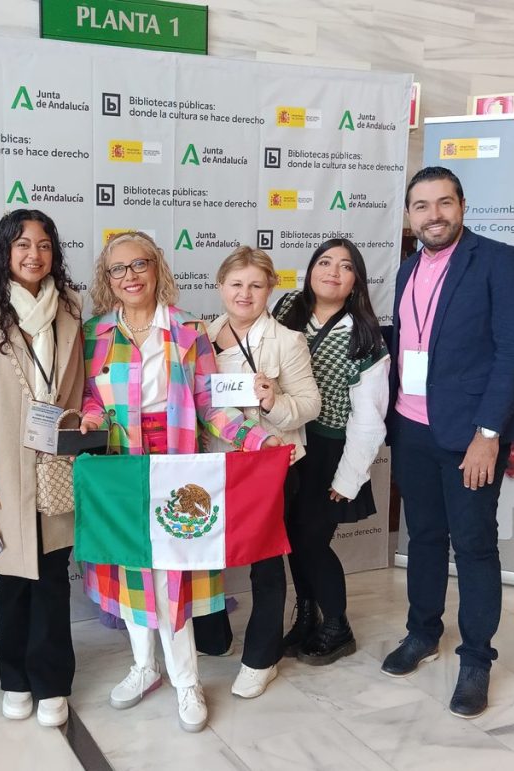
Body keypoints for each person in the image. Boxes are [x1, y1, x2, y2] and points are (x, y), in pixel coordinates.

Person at [79, 232, 280, 732]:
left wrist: (256, 439)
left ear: (157, 268)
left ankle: (186, 681)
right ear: (107, 278)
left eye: (139, 264)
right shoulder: (94, 334)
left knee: (173, 579)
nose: (130, 276)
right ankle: (144, 667)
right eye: (118, 268)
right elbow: (89, 398)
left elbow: (210, 404)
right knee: (130, 569)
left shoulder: (189, 331)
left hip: (176, 468)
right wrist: (89, 418)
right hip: (121, 470)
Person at [384, 166, 514, 719]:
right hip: (412, 428)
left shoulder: (499, 261)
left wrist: (488, 434)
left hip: (470, 435)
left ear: (463, 206)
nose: (434, 215)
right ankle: (423, 632)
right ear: (409, 215)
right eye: (421, 206)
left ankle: (476, 659)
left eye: (444, 203)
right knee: (423, 537)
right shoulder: (406, 269)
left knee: (473, 545)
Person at [0, 209, 84, 728]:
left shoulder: (71, 306)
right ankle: (14, 678)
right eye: (23, 245)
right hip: (4, 467)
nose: (35, 255)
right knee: (11, 581)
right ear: (5, 252)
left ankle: (51, 682)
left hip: (59, 464)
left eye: (44, 245)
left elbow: (82, 384)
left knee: (52, 578)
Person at [191, 246, 321, 698]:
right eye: (236, 284)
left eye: (256, 285)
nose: (244, 294)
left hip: (269, 465)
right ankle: (212, 636)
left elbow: (310, 405)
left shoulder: (287, 341)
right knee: (205, 551)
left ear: (270, 289)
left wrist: (272, 401)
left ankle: (261, 658)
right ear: (220, 286)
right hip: (216, 463)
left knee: (265, 561)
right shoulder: (199, 336)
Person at [273, 238, 390, 667]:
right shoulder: (288, 309)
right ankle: (307, 615)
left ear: (356, 280)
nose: (332, 272)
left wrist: (348, 477)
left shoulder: (364, 335)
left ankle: (338, 625)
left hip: (330, 450)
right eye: (324, 262)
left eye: (345, 266)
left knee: (311, 540)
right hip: (286, 439)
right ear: (310, 270)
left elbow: (369, 418)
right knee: (291, 537)